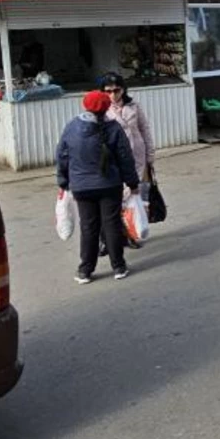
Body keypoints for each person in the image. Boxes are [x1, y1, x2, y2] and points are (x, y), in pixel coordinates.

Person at [57, 90, 141, 283]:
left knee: (88, 227)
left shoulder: (72, 127)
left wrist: (63, 182)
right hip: (110, 185)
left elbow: (62, 156)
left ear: (84, 105)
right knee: (111, 224)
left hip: (81, 187)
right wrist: (132, 183)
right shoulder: (114, 128)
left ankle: (85, 270)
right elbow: (125, 157)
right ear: (106, 108)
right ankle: (118, 267)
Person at [99, 72, 155, 240]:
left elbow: (145, 129)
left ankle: (136, 230)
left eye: (117, 90)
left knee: (140, 196)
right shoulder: (102, 110)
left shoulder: (134, 106)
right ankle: (119, 235)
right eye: (108, 91)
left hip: (138, 156)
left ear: (123, 89)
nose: (113, 95)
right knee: (120, 198)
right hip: (116, 160)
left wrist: (150, 155)